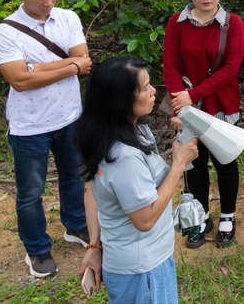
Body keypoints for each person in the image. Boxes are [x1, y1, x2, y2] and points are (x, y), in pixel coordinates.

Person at [0, 0, 93, 278]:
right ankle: (36, 249)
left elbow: (84, 58)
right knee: (30, 192)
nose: (49, 3)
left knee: (75, 177)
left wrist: (35, 67)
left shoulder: (68, 18)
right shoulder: (4, 32)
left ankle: (76, 226)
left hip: (69, 117)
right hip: (29, 125)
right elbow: (19, 81)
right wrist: (71, 67)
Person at [76, 56, 199, 304]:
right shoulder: (125, 159)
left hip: (129, 260)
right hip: (143, 269)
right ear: (121, 100)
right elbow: (144, 220)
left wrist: (94, 245)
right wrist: (178, 165)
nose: (154, 91)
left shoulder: (118, 134)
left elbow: (92, 192)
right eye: (145, 88)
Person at [162, 0, 244, 249]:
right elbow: (170, 67)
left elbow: (230, 69)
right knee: (194, 164)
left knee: (225, 162)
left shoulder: (232, 23)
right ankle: (201, 217)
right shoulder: (177, 23)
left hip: (220, 104)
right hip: (186, 108)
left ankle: (227, 216)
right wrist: (179, 108)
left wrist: (193, 94)